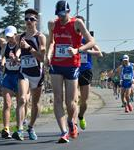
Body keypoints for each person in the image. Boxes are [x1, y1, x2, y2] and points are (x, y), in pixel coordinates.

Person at [47, 0, 95, 143]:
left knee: (71, 102)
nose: (61, 18)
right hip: (56, 64)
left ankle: (71, 121)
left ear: (68, 12)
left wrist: (77, 50)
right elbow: (51, 42)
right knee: (57, 98)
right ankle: (63, 132)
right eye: (59, 15)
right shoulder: (52, 24)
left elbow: (92, 41)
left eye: (63, 14)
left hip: (72, 66)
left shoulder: (77, 24)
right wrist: (48, 56)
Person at [12, 8, 46, 141]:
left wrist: (29, 48)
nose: (28, 21)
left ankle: (31, 126)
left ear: (36, 21)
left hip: (37, 74)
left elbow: (42, 58)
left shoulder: (40, 37)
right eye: (26, 19)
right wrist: (15, 57)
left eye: (31, 19)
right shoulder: (20, 37)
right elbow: (18, 51)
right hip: (24, 72)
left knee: (35, 103)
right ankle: (19, 129)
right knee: (22, 99)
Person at [76, 15, 103, 130]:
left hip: (86, 70)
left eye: (80, 23)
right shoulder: (71, 38)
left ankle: (81, 116)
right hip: (73, 69)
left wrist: (86, 49)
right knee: (73, 99)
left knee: (84, 100)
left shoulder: (87, 39)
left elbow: (99, 53)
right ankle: (73, 123)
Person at [1, 26, 20, 139]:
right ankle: (6, 128)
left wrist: (16, 58)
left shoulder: (20, 45)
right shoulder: (5, 46)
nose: (9, 39)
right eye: (7, 36)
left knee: (20, 103)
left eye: (11, 36)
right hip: (8, 76)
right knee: (7, 103)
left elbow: (22, 58)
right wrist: (2, 62)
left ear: (15, 34)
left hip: (19, 77)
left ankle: (19, 127)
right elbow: (3, 57)